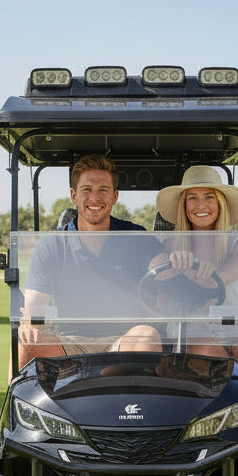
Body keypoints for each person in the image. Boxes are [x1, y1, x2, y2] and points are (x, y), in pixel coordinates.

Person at [153, 166, 238, 435]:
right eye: (192, 198)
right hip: (190, 325)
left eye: (209, 197)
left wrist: (188, 269)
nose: (200, 205)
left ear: (221, 203)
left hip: (234, 323)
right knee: (210, 352)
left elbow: (223, 276)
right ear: (184, 204)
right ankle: (221, 434)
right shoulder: (169, 243)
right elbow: (155, 269)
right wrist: (171, 263)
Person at [17, 155, 162, 369]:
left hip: (123, 341)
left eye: (103, 190)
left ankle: (127, 395)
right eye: (87, 190)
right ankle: (14, 402)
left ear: (114, 196)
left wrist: (173, 261)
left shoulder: (134, 236)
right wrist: (30, 323)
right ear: (74, 196)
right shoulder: (53, 245)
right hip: (69, 343)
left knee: (147, 336)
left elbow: (160, 264)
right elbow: (34, 305)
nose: (95, 197)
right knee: (26, 341)